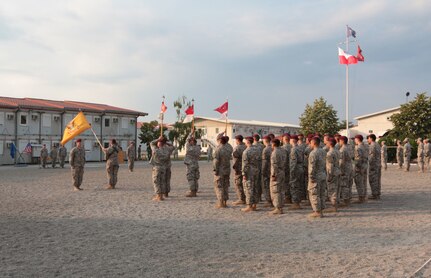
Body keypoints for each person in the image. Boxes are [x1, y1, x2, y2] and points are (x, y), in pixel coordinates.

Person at [307, 136, 327, 218]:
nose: (310, 144)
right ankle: (321, 210)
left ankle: (317, 211)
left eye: (310, 142)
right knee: (321, 193)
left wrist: (311, 177)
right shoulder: (323, 151)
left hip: (316, 176)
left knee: (314, 194)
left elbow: (312, 167)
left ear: (314, 143)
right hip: (322, 174)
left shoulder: (313, 153)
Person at [241, 136, 260, 212]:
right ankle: (255, 204)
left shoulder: (246, 151)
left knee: (248, 188)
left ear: (248, 142)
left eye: (245, 141)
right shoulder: (257, 150)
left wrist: (244, 174)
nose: (244, 142)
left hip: (249, 171)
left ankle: (249, 206)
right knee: (255, 187)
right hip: (256, 170)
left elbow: (245, 164)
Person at [213, 133, 232, 208]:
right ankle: (225, 202)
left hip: (220, 170)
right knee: (226, 186)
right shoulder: (229, 148)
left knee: (219, 186)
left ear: (220, 141)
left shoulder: (218, 149)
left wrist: (215, 170)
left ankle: (220, 203)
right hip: (227, 169)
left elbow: (216, 161)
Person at [150, 136, 171, 201]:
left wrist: (158, 139)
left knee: (156, 182)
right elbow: (172, 147)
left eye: (159, 142)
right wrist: (166, 143)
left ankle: (158, 196)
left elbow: (152, 143)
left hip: (157, 168)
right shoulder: (167, 151)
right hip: (163, 168)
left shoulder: (156, 150)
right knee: (162, 182)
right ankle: (161, 195)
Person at [269, 139, 286, 215]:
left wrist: (273, 175)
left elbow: (274, 165)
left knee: (276, 191)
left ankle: (278, 208)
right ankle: (280, 207)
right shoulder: (282, 151)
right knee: (281, 190)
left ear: (273, 144)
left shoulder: (275, 153)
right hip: (282, 171)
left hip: (277, 173)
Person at [325, 137, 341, 212]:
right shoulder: (337, 151)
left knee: (332, 189)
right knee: (337, 189)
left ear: (330, 144)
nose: (326, 144)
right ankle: (336, 205)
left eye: (327, 142)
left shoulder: (329, 153)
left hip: (333, 172)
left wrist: (329, 175)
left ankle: (334, 207)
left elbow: (330, 165)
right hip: (337, 171)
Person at [184, 130, 201, 197]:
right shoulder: (198, 148)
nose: (189, 142)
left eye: (190, 141)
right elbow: (199, 155)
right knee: (195, 178)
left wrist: (191, 133)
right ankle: (195, 190)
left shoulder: (189, 147)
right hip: (196, 164)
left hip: (190, 164)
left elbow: (187, 139)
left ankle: (192, 192)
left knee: (191, 178)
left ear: (191, 142)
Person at [232, 135, 247, 205]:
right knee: (244, 183)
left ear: (238, 140)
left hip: (238, 167)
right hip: (245, 167)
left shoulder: (237, 148)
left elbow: (235, 158)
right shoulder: (246, 146)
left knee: (238, 183)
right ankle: (245, 197)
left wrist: (234, 167)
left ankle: (241, 198)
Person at [289, 135, 303, 209]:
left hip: (296, 169)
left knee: (294, 186)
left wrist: (291, 172)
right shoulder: (300, 148)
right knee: (299, 185)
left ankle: (296, 203)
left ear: (292, 141)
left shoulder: (294, 150)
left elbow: (293, 162)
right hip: (300, 168)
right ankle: (298, 202)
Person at [339, 136, 353, 207]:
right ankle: (348, 200)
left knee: (344, 185)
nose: (339, 142)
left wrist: (340, 170)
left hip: (344, 169)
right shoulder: (348, 148)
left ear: (342, 141)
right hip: (349, 168)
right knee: (348, 185)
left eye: (339, 141)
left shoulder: (342, 150)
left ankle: (345, 201)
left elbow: (341, 162)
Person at [353, 135, 368, 204]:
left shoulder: (358, 148)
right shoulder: (365, 146)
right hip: (365, 165)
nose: (354, 140)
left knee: (359, 182)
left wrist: (357, 167)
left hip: (360, 167)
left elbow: (358, 159)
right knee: (364, 181)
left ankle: (361, 198)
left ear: (358, 139)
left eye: (355, 139)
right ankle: (364, 196)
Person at [367, 134, 381, 200]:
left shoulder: (372, 145)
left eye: (368, 138)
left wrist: (369, 163)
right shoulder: (377, 144)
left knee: (373, 180)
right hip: (378, 164)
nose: (368, 140)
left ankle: (374, 194)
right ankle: (377, 193)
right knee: (377, 179)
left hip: (373, 165)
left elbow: (371, 156)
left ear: (371, 138)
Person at [261, 136, 273, 207]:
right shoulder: (272, 148)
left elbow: (264, 162)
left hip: (266, 170)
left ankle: (269, 201)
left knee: (266, 186)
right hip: (272, 169)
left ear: (265, 141)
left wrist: (263, 171)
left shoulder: (265, 149)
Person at [253, 134, 264, 201]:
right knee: (260, 181)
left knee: (255, 181)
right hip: (261, 164)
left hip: (254, 165)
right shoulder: (262, 146)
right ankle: (259, 197)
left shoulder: (253, 146)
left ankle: (256, 197)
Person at [281, 134, 291, 203]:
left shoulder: (283, 148)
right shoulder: (292, 146)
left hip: (285, 167)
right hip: (292, 166)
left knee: (286, 183)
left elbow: (283, 159)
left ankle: (287, 198)